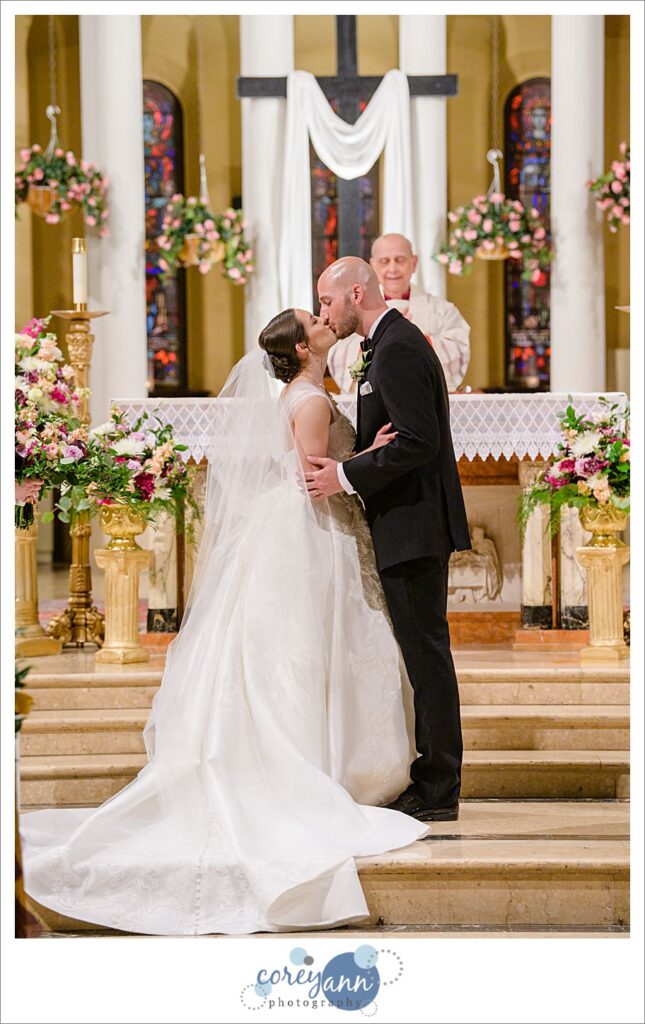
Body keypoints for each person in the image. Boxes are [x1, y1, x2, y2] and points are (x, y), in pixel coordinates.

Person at [19, 309, 428, 937]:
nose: (325, 323)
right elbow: (313, 482)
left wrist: (359, 456)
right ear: (300, 345)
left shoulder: (301, 392)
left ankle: (323, 756)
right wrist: (364, 461)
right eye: (314, 321)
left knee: (290, 652)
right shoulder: (312, 398)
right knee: (312, 647)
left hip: (283, 533)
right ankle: (325, 764)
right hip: (308, 534)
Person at [307, 257, 471, 822]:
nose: (325, 313)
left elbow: (420, 442)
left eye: (328, 302)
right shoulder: (388, 342)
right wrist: (367, 454)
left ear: (356, 292)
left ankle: (438, 787)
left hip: (414, 523)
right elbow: (400, 434)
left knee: (426, 656)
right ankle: (434, 778)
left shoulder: (397, 346)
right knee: (423, 653)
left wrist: (343, 476)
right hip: (406, 521)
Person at [327, 233, 471, 393]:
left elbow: (458, 348)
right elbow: (339, 352)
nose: (393, 268)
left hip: (425, 396)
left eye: (400, 260)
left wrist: (420, 340)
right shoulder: (356, 309)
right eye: (384, 261)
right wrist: (380, 342)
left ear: (414, 263)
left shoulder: (442, 310)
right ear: (372, 266)